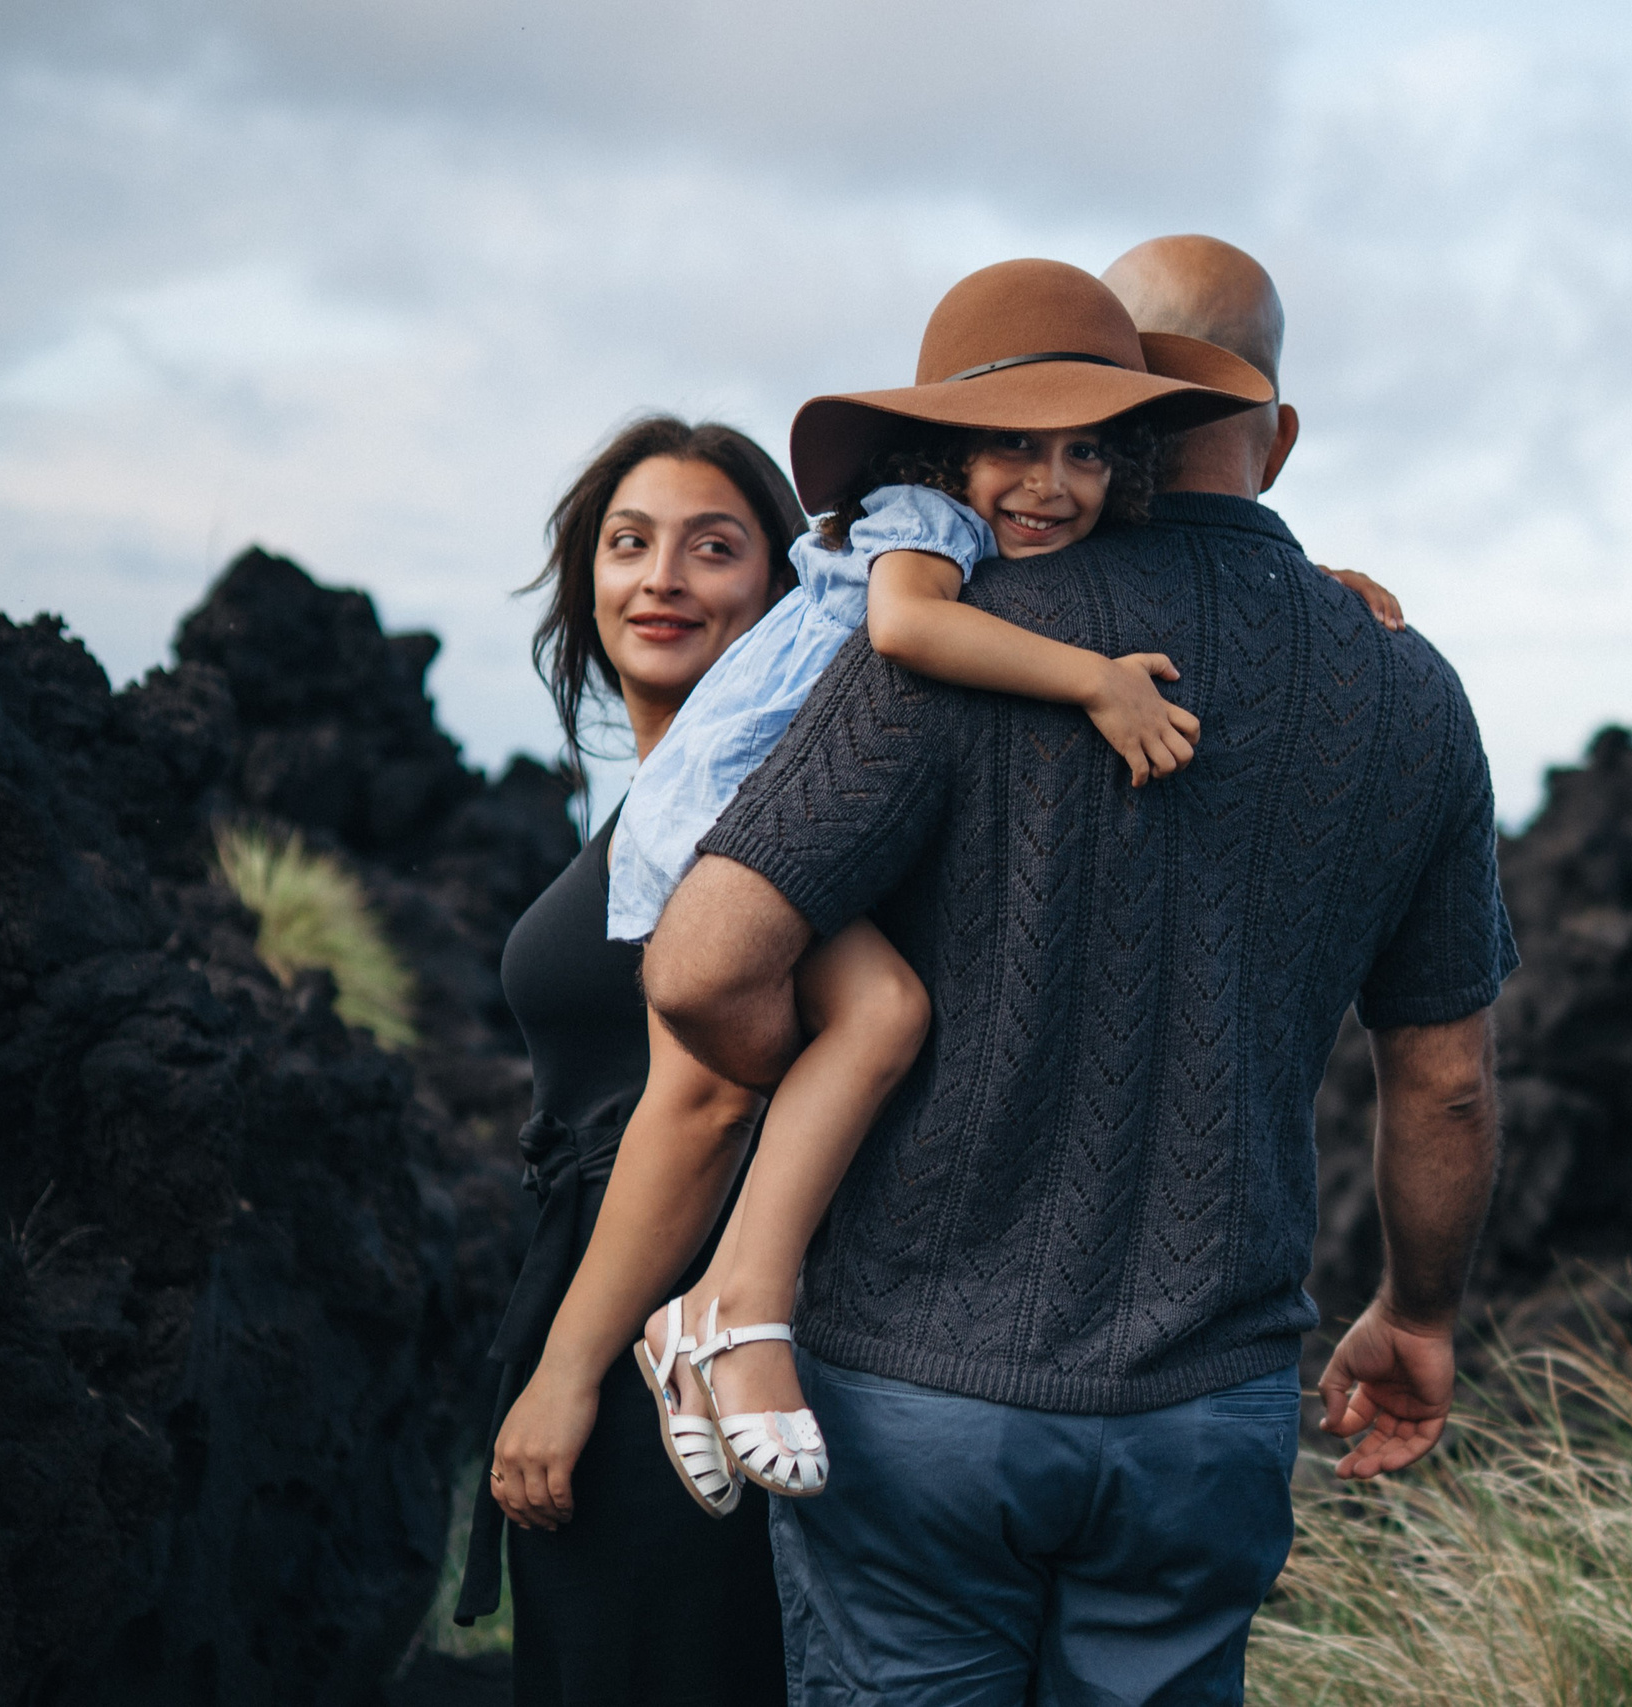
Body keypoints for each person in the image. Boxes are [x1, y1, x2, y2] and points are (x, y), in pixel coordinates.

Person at [639, 234, 1515, 1706]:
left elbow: (707, 961)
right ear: (1275, 435)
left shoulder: (963, 636)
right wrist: (1417, 1314)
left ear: (1126, 416)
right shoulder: (1408, 688)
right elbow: (1444, 1081)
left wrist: (832, 1063)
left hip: (910, 1381)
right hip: (1208, 1401)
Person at [458, 416, 803, 1704]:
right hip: (635, 1308)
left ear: (779, 589)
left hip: (678, 1342)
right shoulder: (670, 791)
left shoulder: (745, 798)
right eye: (628, 543)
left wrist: (565, 1372)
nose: (661, 577)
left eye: (713, 548)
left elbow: (707, 1100)